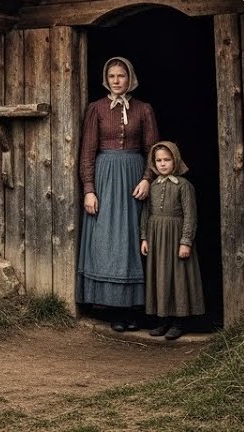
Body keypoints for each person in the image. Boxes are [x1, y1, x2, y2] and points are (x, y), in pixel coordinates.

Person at [77, 56, 160, 331]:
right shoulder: (96, 109)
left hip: (134, 177)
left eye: (121, 76)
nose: (116, 81)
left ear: (130, 78)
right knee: (107, 239)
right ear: (106, 79)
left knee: (132, 239)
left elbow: (153, 149)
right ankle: (112, 309)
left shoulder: (144, 109)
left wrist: (147, 179)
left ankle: (134, 308)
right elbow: (87, 153)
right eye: (111, 76)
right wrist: (89, 190)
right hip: (105, 179)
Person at [140, 141, 206, 340]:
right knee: (160, 276)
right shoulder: (153, 186)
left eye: (167, 160)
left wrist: (185, 241)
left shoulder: (184, 186)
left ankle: (179, 321)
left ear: (175, 160)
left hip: (175, 237)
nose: (162, 164)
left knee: (178, 277)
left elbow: (190, 215)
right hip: (156, 237)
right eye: (158, 160)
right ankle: (163, 320)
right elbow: (146, 213)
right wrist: (144, 237)